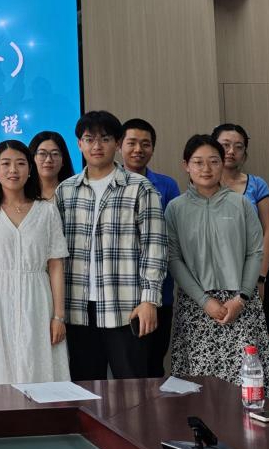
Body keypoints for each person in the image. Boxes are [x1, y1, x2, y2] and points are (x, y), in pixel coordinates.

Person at [54, 110, 166, 381]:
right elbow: (55, 253)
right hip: (78, 309)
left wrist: (149, 300)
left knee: (133, 389)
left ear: (117, 143)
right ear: (79, 144)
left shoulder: (140, 188)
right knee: (85, 388)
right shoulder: (65, 191)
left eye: (104, 139)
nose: (97, 146)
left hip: (125, 307)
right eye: (89, 139)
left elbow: (155, 247)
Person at [166, 135, 269, 398]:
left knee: (245, 385)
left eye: (214, 161)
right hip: (196, 307)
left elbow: (255, 252)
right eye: (198, 162)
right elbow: (174, 259)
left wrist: (241, 298)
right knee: (198, 389)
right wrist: (205, 301)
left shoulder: (240, 203)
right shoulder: (175, 208)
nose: (206, 168)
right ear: (186, 165)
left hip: (240, 304)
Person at [0, 140, 69, 385]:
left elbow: (55, 266)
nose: (13, 170)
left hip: (38, 301)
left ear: (30, 169)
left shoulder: (46, 211)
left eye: (21, 163)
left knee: (38, 369)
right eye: (6, 163)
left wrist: (58, 317)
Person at [118, 118, 181, 377]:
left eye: (145, 144)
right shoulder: (109, 184)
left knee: (153, 366)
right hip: (119, 296)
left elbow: (171, 237)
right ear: (119, 145)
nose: (138, 149)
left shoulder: (167, 186)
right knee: (124, 371)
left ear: (153, 148)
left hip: (158, 294)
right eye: (131, 143)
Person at [211, 123, 269, 335]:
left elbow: (268, 231)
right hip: (214, 276)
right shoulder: (203, 184)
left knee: (255, 338)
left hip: (254, 271)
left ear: (244, 154)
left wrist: (261, 277)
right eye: (225, 145)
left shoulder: (257, 185)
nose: (231, 151)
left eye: (238, 147)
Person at [28, 131, 75, 200]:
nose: (48, 160)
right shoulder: (23, 193)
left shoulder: (74, 192)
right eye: (42, 153)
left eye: (55, 154)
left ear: (63, 160)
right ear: (32, 158)